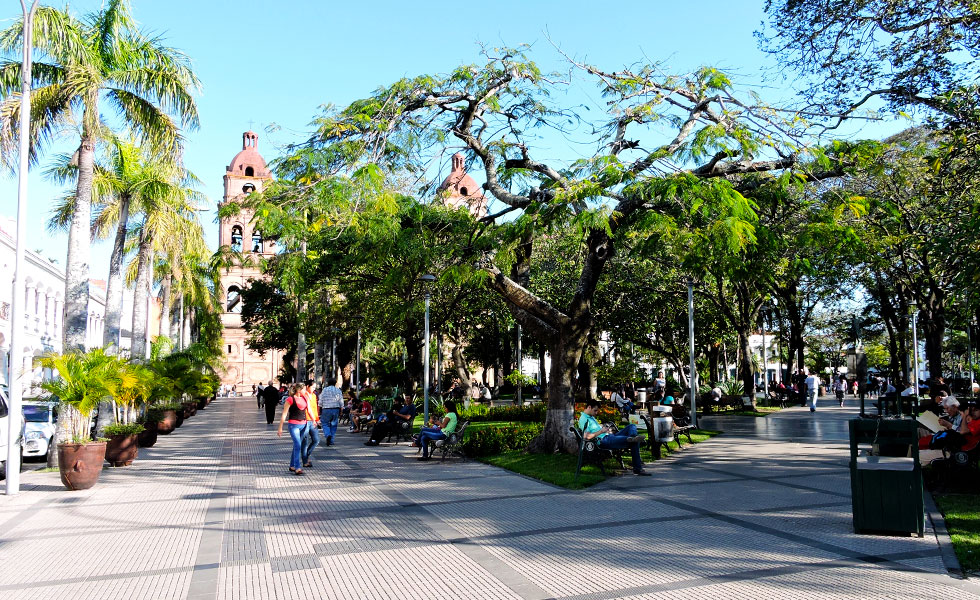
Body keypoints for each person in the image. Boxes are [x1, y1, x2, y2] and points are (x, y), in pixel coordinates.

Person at [578, 398, 650, 476]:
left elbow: (595, 429)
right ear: (589, 407)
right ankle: (637, 468)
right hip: (603, 441)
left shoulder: (590, 417)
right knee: (634, 442)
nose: (596, 412)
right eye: (595, 410)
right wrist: (601, 431)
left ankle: (632, 437)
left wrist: (606, 430)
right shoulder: (584, 419)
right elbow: (587, 436)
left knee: (631, 426)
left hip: (609, 436)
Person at [277, 384, 308, 475]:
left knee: (297, 445)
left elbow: (308, 410)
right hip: (293, 425)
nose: (305, 391)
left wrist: (314, 420)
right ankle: (297, 467)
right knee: (298, 445)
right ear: (299, 390)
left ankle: (292, 465)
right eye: (304, 389)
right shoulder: (290, 399)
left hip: (304, 424)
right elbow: (284, 414)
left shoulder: (305, 398)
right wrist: (280, 428)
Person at [318, 378, 344, 446]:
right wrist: (341, 411)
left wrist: (319, 410)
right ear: (335, 383)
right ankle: (331, 440)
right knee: (333, 425)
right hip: (336, 409)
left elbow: (320, 401)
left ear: (328, 383)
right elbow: (341, 402)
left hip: (326, 409)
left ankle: (328, 434)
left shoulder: (324, 390)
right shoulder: (338, 390)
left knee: (325, 423)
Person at [301, 380, 320, 467]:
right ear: (307, 386)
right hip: (305, 420)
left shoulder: (314, 395)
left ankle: (306, 455)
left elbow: (315, 408)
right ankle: (305, 461)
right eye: (312, 387)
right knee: (305, 442)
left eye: (315, 388)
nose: (314, 389)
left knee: (316, 440)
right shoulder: (303, 395)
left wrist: (316, 419)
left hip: (313, 421)